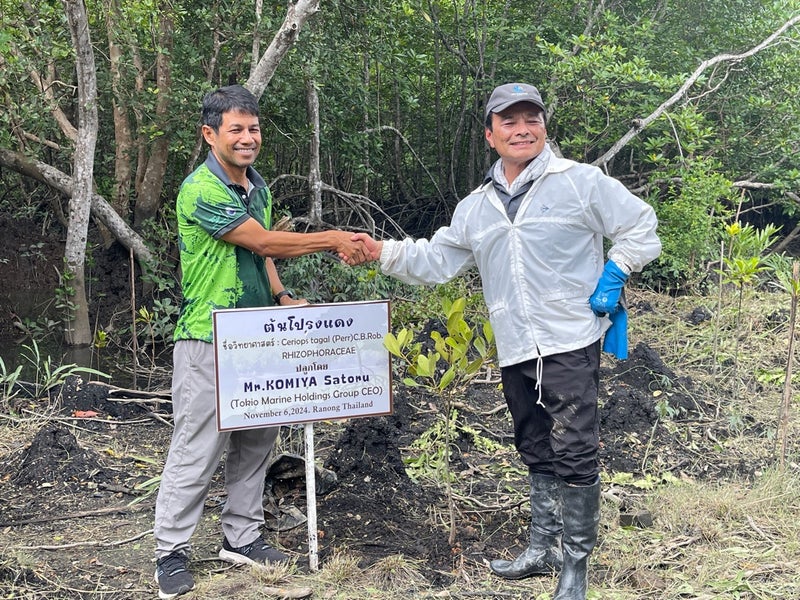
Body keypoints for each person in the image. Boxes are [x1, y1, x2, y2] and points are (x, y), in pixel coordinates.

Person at [352, 83, 661, 600]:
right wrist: (379, 250)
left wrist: (616, 269)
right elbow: (437, 259)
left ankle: (575, 565)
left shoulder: (580, 182)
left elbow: (641, 226)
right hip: (515, 343)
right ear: (490, 134)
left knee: (575, 447)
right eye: (509, 121)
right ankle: (542, 547)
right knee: (534, 443)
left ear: (544, 126)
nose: (522, 129)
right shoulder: (477, 207)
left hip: (569, 335)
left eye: (531, 119)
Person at [153, 84, 368, 599]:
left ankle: (242, 537)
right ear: (210, 135)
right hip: (208, 336)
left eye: (253, 129)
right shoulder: (201, 188)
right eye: (236, 130)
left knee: (256, 439)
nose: (247, 138)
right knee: (198, 447)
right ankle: (170, 551)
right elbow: (265, 240)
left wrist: (282, 296)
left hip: (258, 337)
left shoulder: (257, 187)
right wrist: (335, 238)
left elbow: (262, 255)